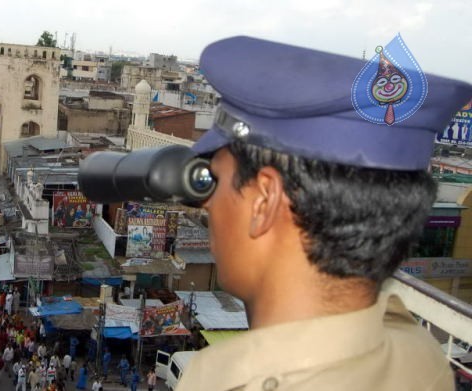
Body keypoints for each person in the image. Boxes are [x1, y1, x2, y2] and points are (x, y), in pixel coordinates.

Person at [170, 36, 472, 390]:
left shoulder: (219, 380)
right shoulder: (420, 355)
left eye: (214, 181)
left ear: (264, 200)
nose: (206, 203)